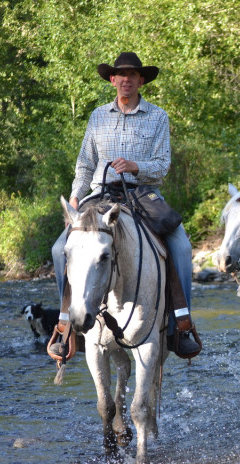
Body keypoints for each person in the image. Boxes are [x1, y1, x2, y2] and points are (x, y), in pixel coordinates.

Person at [49, 52, 201, 359]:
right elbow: (84, 165)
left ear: (141, 80)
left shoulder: (157, 116)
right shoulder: (97, 116)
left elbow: (162, 165)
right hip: (99, 195)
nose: (126, 80)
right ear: (112, 80)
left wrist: (134, 166)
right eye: (121, 75)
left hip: (142, 193)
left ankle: (180, 324)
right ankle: (66, 324)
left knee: (181, 247)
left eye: (133, 75)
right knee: (58, 249)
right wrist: (76, 196)